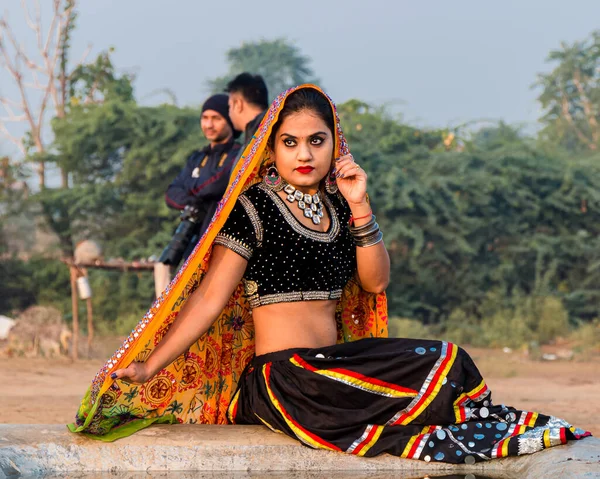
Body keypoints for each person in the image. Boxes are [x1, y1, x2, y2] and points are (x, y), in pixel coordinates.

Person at [69, 85, 590, 464]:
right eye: (290, 142)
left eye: (316, 141)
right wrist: (149, 366)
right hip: (283, 379)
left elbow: (376, 283)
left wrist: (361, 207)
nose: (304, 154)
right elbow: (207, 301)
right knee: (401, 397)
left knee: (450, 359)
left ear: (333, 142)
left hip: (333, 363)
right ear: (271, 148)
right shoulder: (255, 206)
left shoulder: (342, 207)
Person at [161, 94, 241, 266]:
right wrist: (192, 203)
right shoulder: (197, 158)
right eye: (205, 118)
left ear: (229, 120)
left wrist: (192, 193)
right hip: (193, 242)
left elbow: (215, 185)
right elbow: (171, 193)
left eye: (216, 118)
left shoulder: (238, 155)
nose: (209, 124)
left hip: (223, 243)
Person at [225, 73, 269, 177]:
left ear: (238, 104)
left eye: (229, 106)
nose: (229, 113)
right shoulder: (272, 128)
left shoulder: (260, 137)